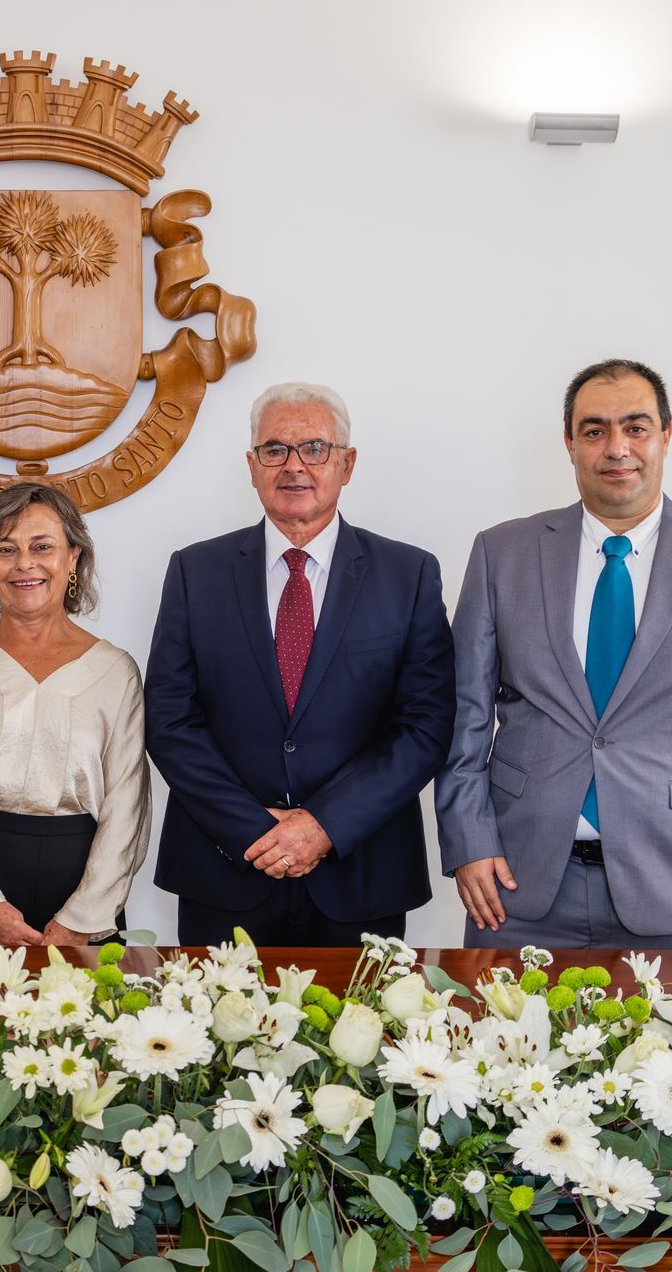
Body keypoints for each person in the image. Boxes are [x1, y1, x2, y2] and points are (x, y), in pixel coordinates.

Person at [436, 359, 672, 949]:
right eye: (594, 430)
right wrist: (468, 842)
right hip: (516, 887)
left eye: (636, 427)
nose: (616, 448)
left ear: (665, 436)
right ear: (569, 444)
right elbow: (463, 714)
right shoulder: (501, 553)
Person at [144, 382, 456, 945]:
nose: (294, 466)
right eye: (274, 449)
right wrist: (254, 830)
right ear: (252, 465)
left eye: (315, 448)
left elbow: (424, 726)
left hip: (361, 873)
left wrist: (323, 826)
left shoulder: (407, 574)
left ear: (347, 464)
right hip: (226, 869)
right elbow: (170, 721)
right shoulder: (195, 571)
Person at [0, 484, 150, 946]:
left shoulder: (114, 671)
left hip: (83, 885)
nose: (25, 563)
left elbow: (128, 804)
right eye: (6, 549)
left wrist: (82, 918)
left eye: (42, 547)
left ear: (73, 557)